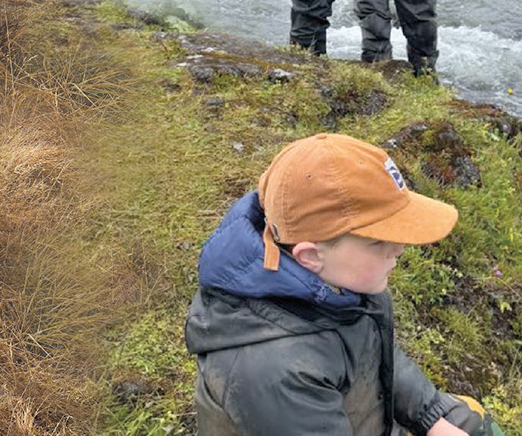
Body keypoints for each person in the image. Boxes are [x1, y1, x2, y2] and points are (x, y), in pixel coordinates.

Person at [185, 133, 501, 436]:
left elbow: (375, 352)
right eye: (380, 242)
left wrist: (431, 416)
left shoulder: (339, 282)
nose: (400, 249)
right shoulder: (275, 368)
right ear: (309, 256)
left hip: (366, 420)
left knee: (473, 421)